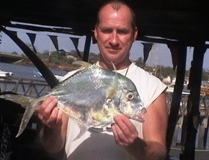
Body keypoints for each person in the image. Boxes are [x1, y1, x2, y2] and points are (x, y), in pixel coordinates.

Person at [38, 0, 168, 159]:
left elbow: (159, 152)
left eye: (122, 31)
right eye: (107, 30)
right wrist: (51, 127)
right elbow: (53, 147)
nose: (114, 40)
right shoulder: (71, 81)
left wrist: (133, 144)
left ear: (134, 34)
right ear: (96, 32)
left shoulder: (153, 87)